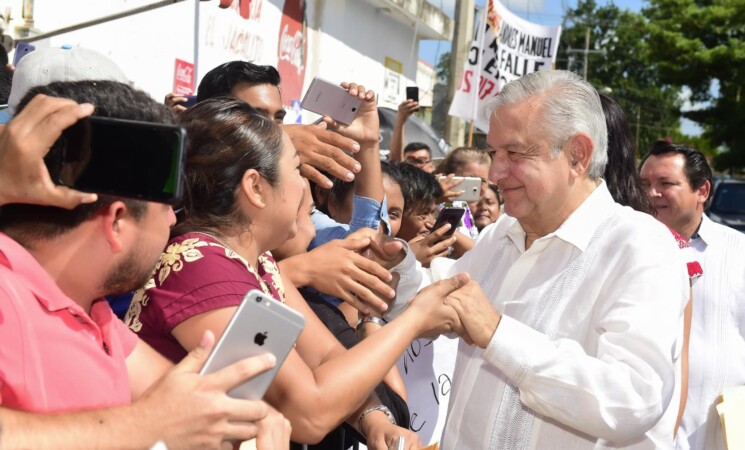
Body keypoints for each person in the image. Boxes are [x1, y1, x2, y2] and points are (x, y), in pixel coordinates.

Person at [125, 92, 467, 450]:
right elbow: (310, 412)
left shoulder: (255, 261)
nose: (305, 186)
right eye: (297, 169)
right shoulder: (202, 266)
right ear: (256, 188)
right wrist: (415, 320)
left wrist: (373, 416)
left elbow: (326, 356)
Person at [391, 70, 689, 448]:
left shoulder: (640, 246)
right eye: (494, 153)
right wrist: (394, 266)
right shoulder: (502, 232)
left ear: (577, 155)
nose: (496, 173)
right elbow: (443, 302)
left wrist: (499, 335)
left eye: (514, 153)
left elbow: (632, 399)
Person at [0, 81, 290, 450]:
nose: (173, 220)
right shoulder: (8, 297)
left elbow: (187, 407)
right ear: (117, 222)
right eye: (168, 206)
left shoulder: (91, 309)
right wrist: (147, 425)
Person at [639, 141, 745, 450]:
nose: (651, 193)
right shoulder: (624, 250)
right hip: (640, 437)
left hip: (715, 437)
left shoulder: (738, 255)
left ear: (702, 191)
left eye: (666, 184)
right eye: (644, 183)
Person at [167, 60, 362, 190]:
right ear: (211, 117)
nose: (274, 130)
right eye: (256, 117)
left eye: (278, 118)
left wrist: (368, 145)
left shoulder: (292, 181)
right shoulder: (178, 179)